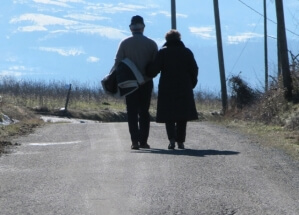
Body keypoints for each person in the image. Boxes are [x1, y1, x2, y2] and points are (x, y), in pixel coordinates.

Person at [112, 15, 158, 150]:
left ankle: (135, 141)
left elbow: (117, 63)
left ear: (130, 28)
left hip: (129, 83)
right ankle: (144, 141)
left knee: (131, 111)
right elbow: (156, 65)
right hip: (146, 82)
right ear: (143, 27)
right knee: (144, 111)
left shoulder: (124, 43)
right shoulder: (151, 44)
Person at [147, 29, 198, 150]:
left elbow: (154, 70)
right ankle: (181, 141)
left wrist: (146, 69)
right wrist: (191, 84)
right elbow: (194, 69)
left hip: (167, 88)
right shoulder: (187, 52)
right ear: (179, 39)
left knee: (169, 115)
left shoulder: (163, 53)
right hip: (184, 87)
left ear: (167, 40)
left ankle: (172, 140)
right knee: (182, 115)